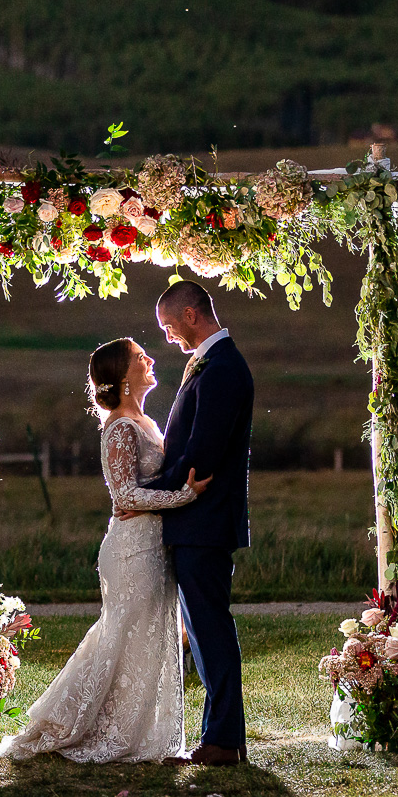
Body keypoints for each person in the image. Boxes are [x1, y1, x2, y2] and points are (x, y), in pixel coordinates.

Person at [0, 338, 210, 762]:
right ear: (123, 377)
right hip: (130, 553)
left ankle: (143, 731)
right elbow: (125, 497)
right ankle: (75, 725)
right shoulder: (119, 428)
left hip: (153, 547)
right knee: (119, 639)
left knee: (148, 642)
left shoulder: (145, 421)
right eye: (139, 356)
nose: (150, 359)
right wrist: (182, 497)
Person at [123, 281, 254, 767]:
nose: (168, 335)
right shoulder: (214, 364)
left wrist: (151, 496)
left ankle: (223, 741)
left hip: (204, 521)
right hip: (198, 521)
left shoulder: (222, 369)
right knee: (203, 631)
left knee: (210, 630)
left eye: (169, 325)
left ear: (192, 315)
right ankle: (223, 738)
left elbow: (201, 455)